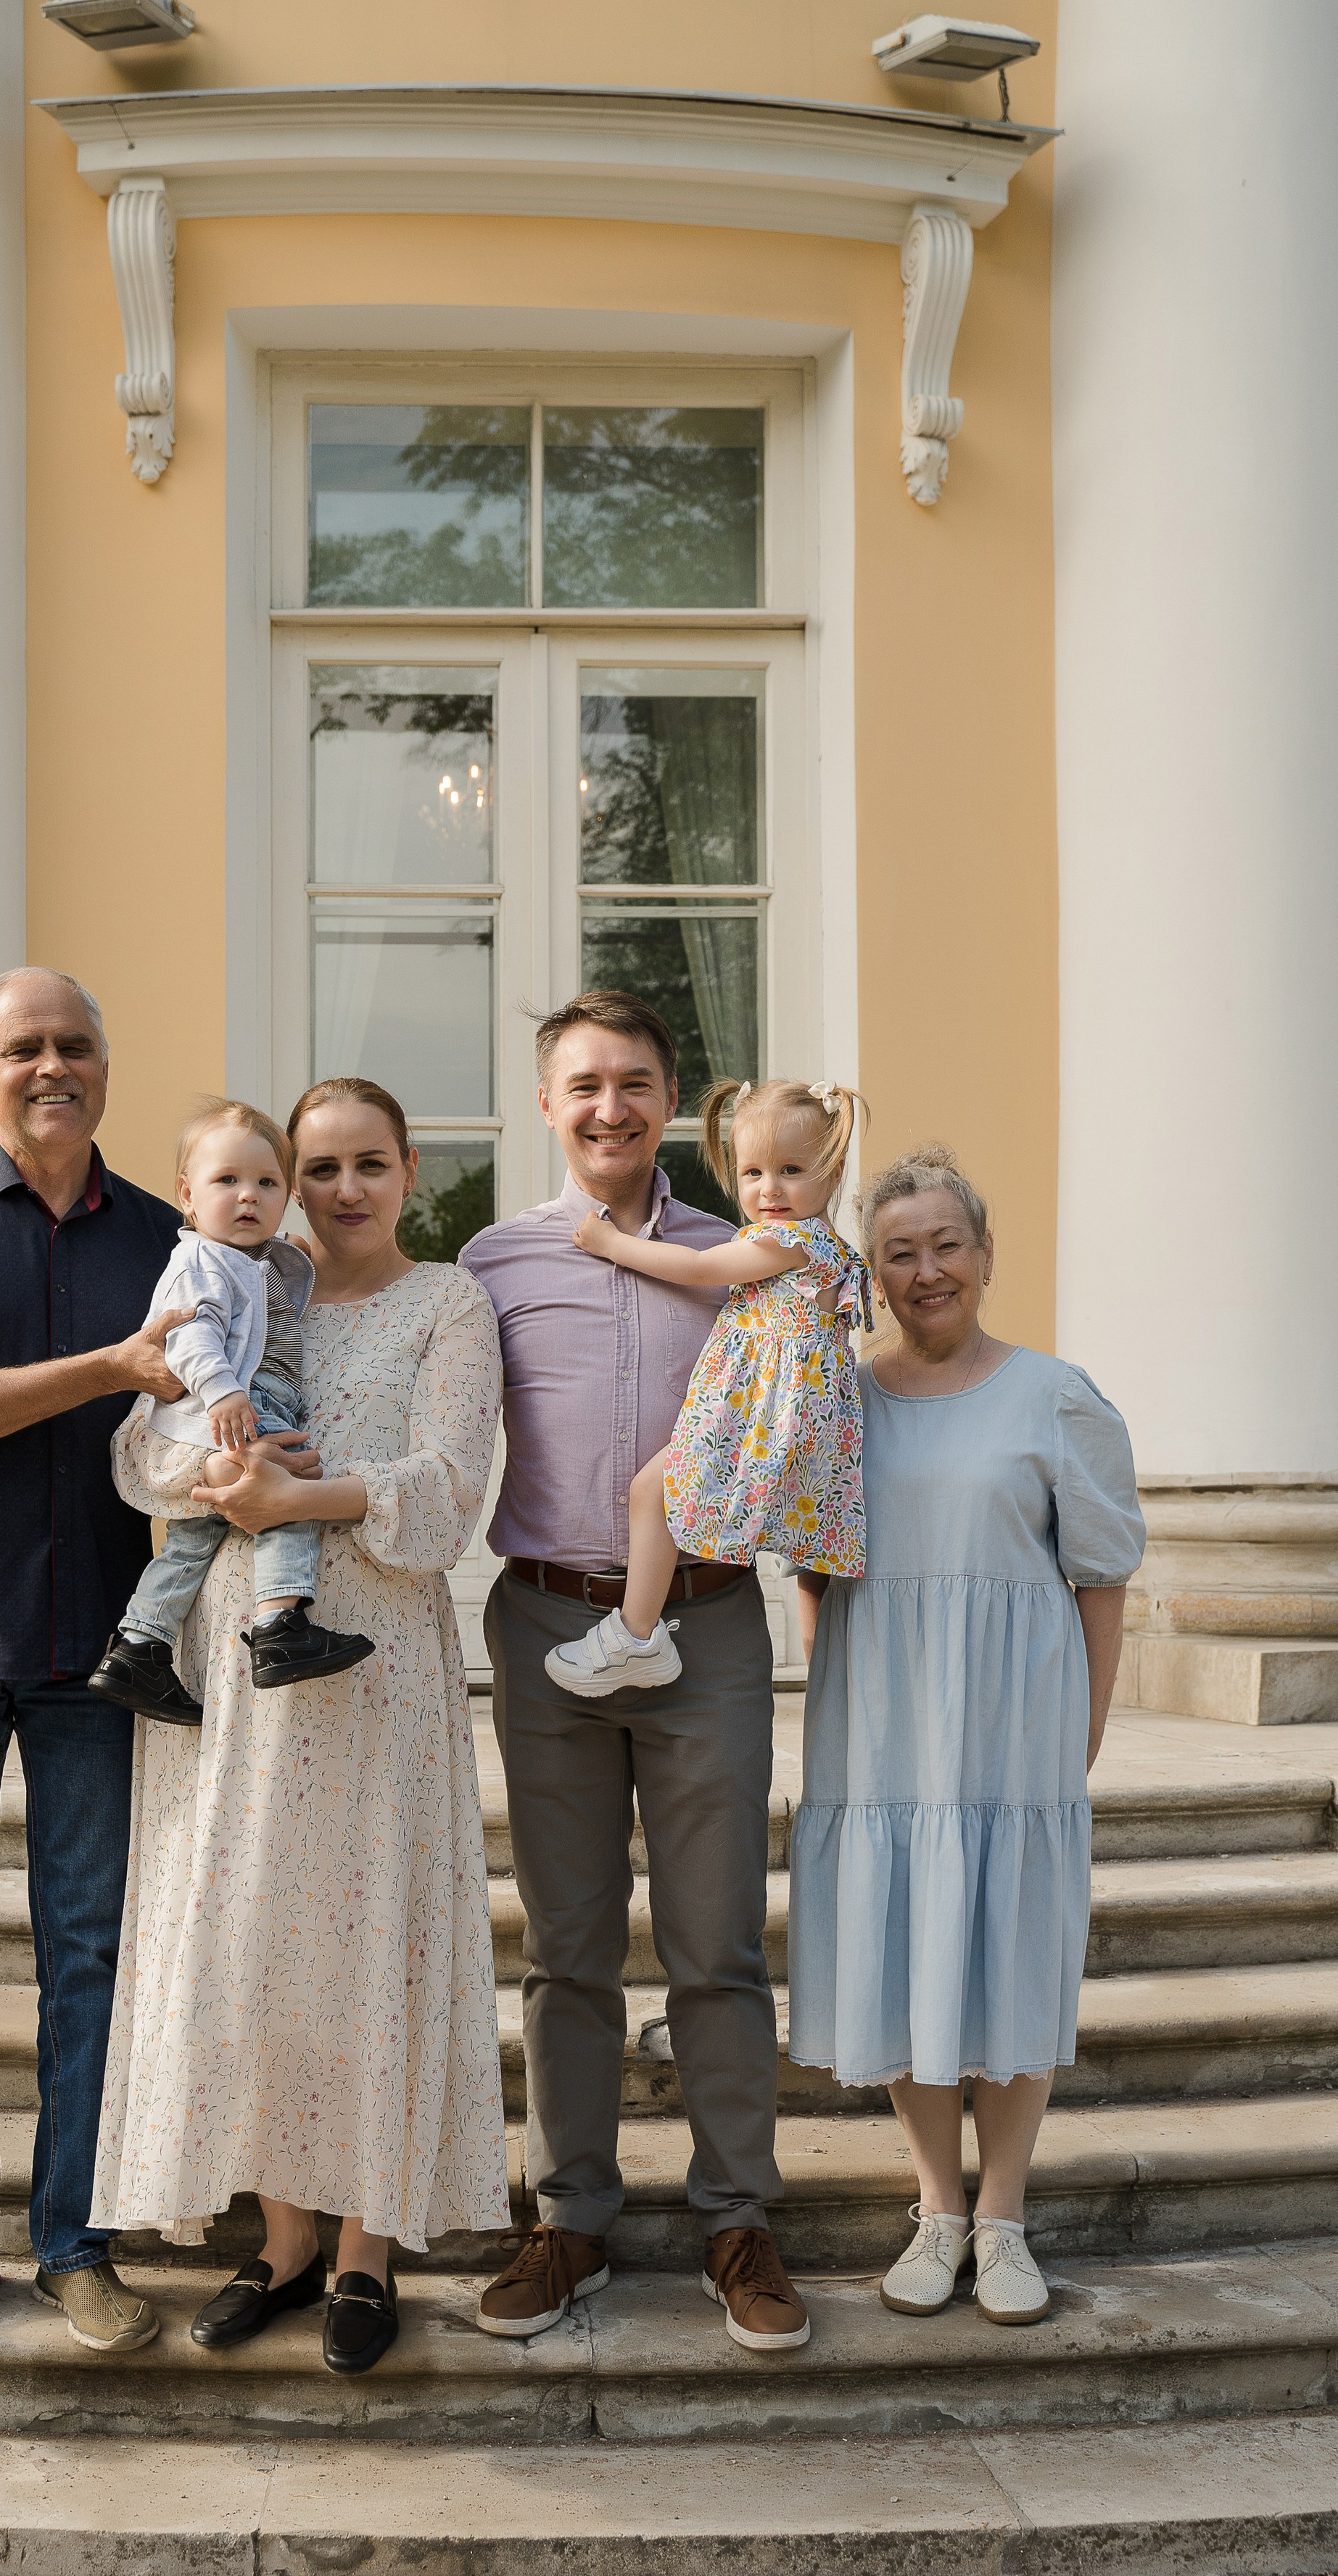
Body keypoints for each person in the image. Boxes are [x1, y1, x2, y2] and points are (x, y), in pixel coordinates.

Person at [90, 1076, 510, 2378]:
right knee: (253, 1944)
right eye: (317, 1166)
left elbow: (447, 1497)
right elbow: (137, 1455)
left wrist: (299, 1501)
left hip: (374, 1665)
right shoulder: (226, 1277)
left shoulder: (449, 1303)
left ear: (409, 1170)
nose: (340, 1190)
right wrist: (217, 1473)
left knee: (373, 1940)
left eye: (365, 1164)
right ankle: (279, 2243)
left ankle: (369, 2251)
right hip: (233, 1671)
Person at [0, 966, 231, 2353]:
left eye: (75, 1043)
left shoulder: (169, 1235)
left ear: (107, 1069)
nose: (50, 1065)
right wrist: (109, 1367)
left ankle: (76, 2242)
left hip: (103, 1652)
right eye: (24, 1047)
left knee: (92, 1954)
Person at [461, 990, 812, 2357]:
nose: (610, 1106)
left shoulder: (750, 1258)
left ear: (675, 1102)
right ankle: (573, 2219)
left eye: (636, 1082)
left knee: (719, 1938)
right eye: (584, 1084)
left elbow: (818, 1417)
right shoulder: (489, 1265)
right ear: (548, 1104)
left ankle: (736, 2216)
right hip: (550, 1628)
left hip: (713, 1625)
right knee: (566, 1945)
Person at [785, 1144, 1144, 2327]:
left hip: (1014, 1720)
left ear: (985, 1257)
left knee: (1009, 1950)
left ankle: (1004, 2219)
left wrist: (1080, 1731)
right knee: (903, 1948)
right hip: (884, 1724)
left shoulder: (1058, 1396)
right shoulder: (844, 1400)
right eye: (900, 1252)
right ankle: (937, 2210)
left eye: (947, 1245)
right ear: (875, 1274)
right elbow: (817, 1569)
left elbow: (1100, 1575)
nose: (927, 1269)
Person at [547, 1074, 871, 1697]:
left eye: (791, 1169)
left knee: (653, 1492)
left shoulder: (793, 1240)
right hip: (770, 1409)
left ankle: (637, 1635)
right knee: (658, 1495)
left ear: (832, 1174)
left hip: (756, 1415)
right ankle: (640, 1635)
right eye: (753, 1173)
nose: (769, 1188)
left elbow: (698, 1268)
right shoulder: (813, 1242)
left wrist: (611, 1241)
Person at [86, 1098, 372, 1725]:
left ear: (288, 1194)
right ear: (187, 1195)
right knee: (287, 1491)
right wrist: (224, 1392)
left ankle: (139, 1645)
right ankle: (280, 1624)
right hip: (228, 1410)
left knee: (191, 1542)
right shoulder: (200, 1260)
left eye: (267, 1183)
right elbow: (189, 1334)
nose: (249, 1196)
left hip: (225, 1411)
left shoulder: (251, 1259)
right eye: (227, 1181)